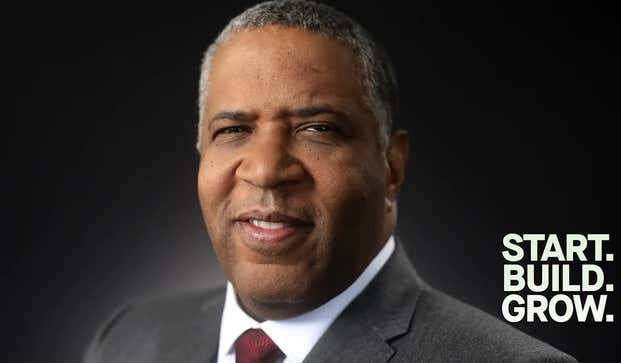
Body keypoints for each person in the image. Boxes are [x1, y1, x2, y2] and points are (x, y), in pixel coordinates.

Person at [84, 1, 577, 362]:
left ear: (391, 166)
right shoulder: (128, 340)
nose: (266, 169)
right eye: (233, 130)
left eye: (317, 129)